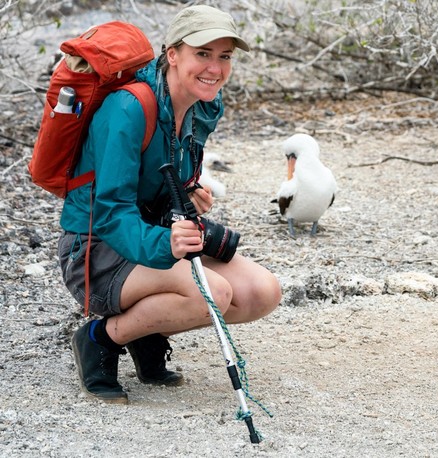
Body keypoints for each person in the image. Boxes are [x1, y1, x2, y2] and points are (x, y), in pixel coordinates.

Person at [58, 5, 282, 404]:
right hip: (95, 251)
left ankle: (145, 331)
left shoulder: (199, 107)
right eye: (203, 53)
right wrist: (167, 245)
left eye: (224, 56)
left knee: (261, 292)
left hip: (149, 235)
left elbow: (160, 175)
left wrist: (188, 191)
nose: (215, 67)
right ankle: (99, 339)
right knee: (210, 292)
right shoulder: (128, 109)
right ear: (173, 54)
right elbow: (109, 212)